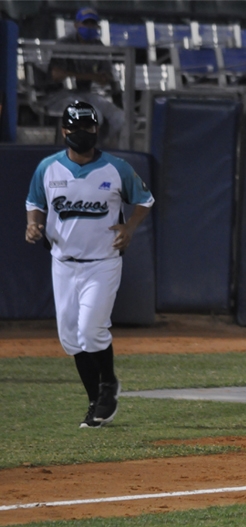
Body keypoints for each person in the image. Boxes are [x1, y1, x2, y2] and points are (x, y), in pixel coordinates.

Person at [25, 101, 154, 428]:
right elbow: (34, 203)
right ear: (65, 131)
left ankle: (108, 383)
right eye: (77, 128)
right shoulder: (48, 168)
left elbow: (144, 200)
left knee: (90, 329)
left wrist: (129, 227)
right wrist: (33, 223)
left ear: (96, 129)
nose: (83, 133)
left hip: (102, 262)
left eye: (89, 127)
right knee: (70, 337)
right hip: (63, 263)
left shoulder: (116, 168)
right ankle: (94, 401)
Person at [44, 7, 127, 149]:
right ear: (76, 25)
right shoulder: (65, 43)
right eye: (85, 23)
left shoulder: (99, 46)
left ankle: (104, 149)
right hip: (58, 95)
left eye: (92, 24)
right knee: (94, 116)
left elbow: (105, 77)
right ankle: (79, 152)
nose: (89, 27)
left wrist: (100, 78)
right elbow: (56, 75)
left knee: (120, 117)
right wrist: (91, 76)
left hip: (87, 93)